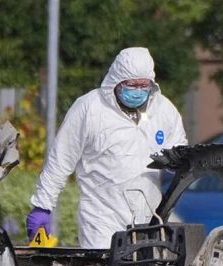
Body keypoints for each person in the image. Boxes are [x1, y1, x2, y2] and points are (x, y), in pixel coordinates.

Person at [26, 47, 188, 248]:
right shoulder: (90, 108)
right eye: (131, 85)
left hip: (149, 219)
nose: (137, 91)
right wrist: (43, 205)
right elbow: (61, 159)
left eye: (143, 85)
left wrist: (175, 162)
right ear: (116, 81)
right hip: (102, 219)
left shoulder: (164, 111)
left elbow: (181, 155)